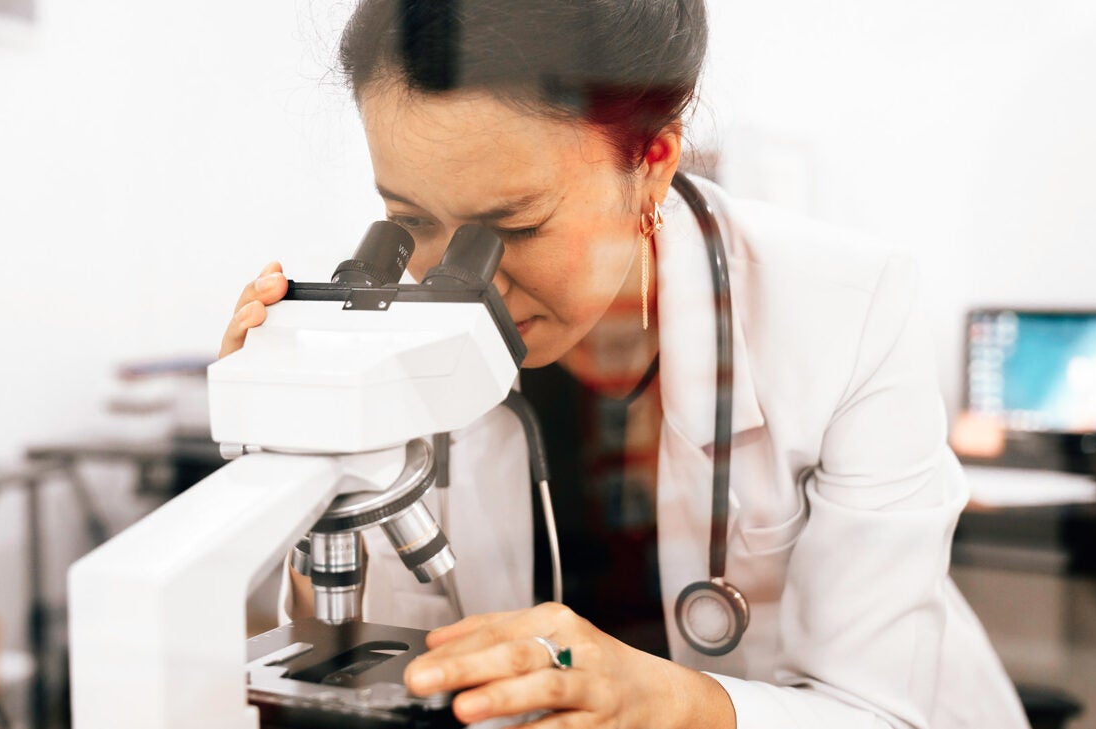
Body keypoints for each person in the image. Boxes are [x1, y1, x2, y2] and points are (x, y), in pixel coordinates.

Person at [219, 2, 1029, 727]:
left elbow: (880, 710)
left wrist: (672, 703)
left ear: (653, 162)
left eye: (516, 223)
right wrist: (279, 466)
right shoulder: (376, 335)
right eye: (408, 221)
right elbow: (350, 644)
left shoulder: (847, 311)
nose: (461, 282)